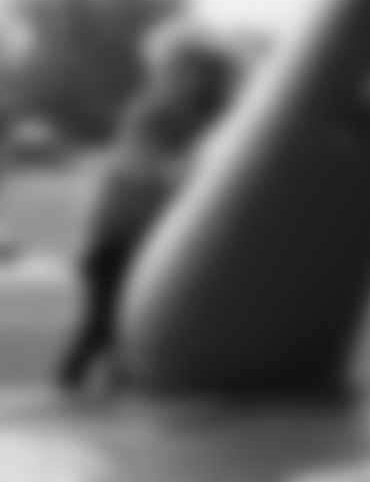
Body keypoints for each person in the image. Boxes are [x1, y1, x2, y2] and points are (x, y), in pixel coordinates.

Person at [56, 20, 242, 394]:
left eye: (196, 74)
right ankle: (71, 385)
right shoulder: (152, 114)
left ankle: (110, 385)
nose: (188, 83)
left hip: (147, 238)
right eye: (181, 73)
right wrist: (192, 166)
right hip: (118, 237)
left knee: (130, 326)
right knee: (107, 324)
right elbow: (148, 167)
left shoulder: (199, 117)